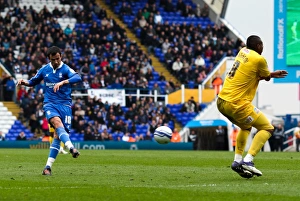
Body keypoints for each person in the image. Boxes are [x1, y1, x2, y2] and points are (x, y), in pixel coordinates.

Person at [217, 35, 288, 178]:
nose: (263, 48)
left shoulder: (242, 52)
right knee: (267, 128)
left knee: (246, 127)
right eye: (262, 45)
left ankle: (237, 161)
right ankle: (248, 160)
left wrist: (270, 75)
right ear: (258, 46)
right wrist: (272, 75)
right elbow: (265, 76)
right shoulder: (259, 59)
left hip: (222, 101)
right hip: (237, 104)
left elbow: (254, 75)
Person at [17, 46, 82, 176]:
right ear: (49, 58)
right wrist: (25, 82)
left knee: (58, 136)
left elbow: (78, 78)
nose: (56, 61)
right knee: (57, 124)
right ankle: (71, 148)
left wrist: (63, 82)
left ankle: (48, 167)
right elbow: (33, 81)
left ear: (61, 57)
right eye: (53, 59)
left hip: (65, 105)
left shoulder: (65, 69)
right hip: (50, 104)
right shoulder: (44, 69)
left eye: (58, 58)